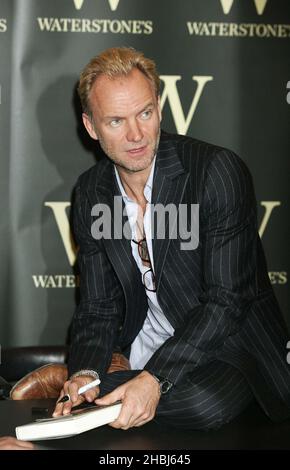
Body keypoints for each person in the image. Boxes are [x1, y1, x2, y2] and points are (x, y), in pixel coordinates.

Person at [53, 47, 290, 430]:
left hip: (228, 347)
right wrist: (84, 373)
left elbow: (226, 302)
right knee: (105, 386)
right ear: (91, 126)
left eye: (145, 113)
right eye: (115, 121)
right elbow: (98, 305)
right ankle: (94, 384)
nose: (136, 135)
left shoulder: (216, 172)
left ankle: (98, 390)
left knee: (204, 405)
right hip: (144, 348)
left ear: (159, 108)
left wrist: (154, 379)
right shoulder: (92, 192)